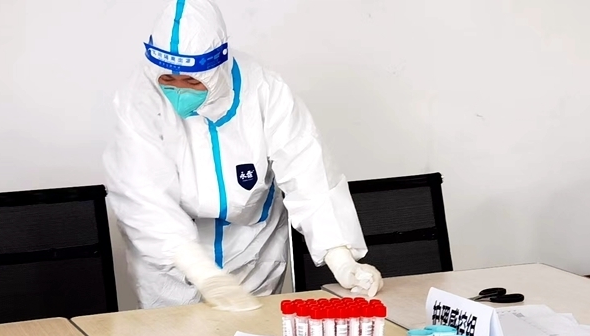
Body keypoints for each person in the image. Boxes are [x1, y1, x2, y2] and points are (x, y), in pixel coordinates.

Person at [103, 0, 383, 311]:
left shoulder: (265, 90)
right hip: (172, 270)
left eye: (192, 81)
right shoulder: (138, 100)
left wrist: (341, 258)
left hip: (253, 259)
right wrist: (198, 268)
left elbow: (308, 172)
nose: (179, 90)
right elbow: (141, 194)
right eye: (168, 79)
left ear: (216, 69)